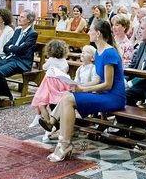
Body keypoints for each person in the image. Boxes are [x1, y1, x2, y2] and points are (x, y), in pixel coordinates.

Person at [39, 19, 125, 162]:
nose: (88, 32)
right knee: (68, 95)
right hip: (103, 94)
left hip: (113, 97)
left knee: (69, 99)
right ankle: (63, 142)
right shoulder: (98, 52)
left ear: (98, 34)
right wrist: (80, 87)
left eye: (90, 30)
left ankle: (63, 142)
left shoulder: (109, 53)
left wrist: (82, 89)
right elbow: (98, 80)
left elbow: (108, 85)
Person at [0, 9, 38, 102]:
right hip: (11, 58)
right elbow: (6, 47)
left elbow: (21, 50)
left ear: (29, 20)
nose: (19, 19)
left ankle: (7, 96)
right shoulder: (17, 31)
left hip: (21, 62)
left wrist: (12, 47)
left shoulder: (32, 34)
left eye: (22, 17)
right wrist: (13, 47)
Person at [29, 39, 71, 137]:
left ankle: (48, 122)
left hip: (49, 83)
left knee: (42, 102)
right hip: (61, 83)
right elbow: (66, 69)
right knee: (54, 103)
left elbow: (44, 67)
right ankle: (50, 122)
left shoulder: (51, 60)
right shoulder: (64, 61)